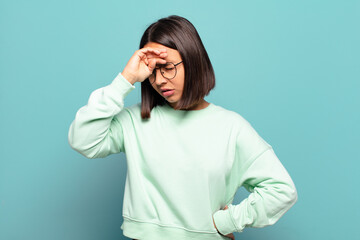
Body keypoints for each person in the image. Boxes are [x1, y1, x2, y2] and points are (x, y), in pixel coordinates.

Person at [68, 15, 298, 240]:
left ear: (192, 60)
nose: (159, 80)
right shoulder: (135, 120)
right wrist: (126, 79)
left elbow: (281, 190)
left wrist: (228, 221)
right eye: (152, 72)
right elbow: (84, 140)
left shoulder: (231, 127)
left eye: (167, 67)